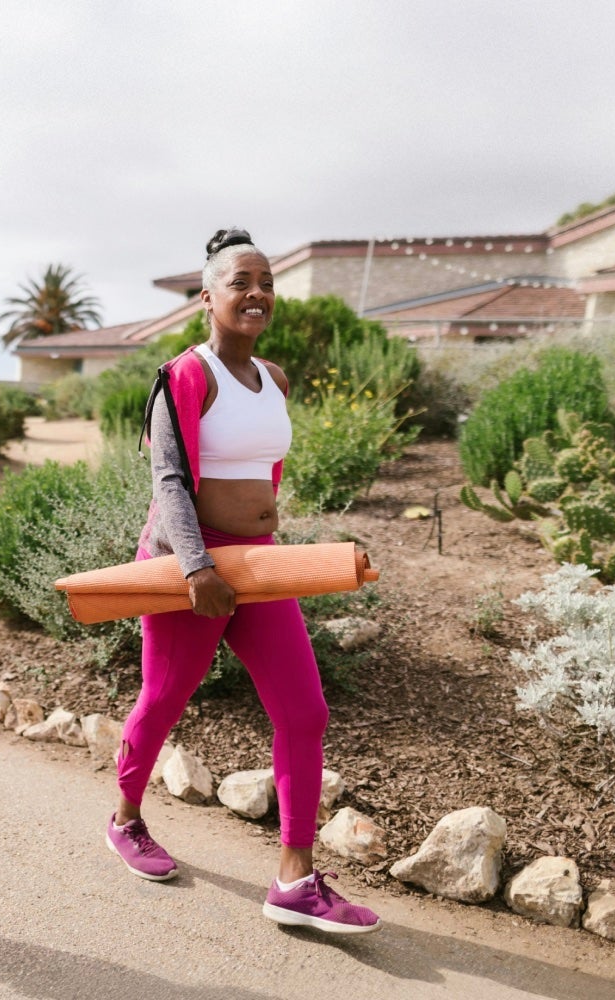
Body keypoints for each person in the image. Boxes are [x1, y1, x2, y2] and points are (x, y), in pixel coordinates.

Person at [105, 228, 380, 935]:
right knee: (165, 697)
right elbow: (168, 477)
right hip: (189, 562)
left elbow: (265, 475)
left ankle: (294, 878)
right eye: (240, 283)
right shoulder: (183, 376)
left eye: (266, 283)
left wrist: (269, 551)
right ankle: (126, 819)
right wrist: (197, 565)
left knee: (304, 710)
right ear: (208, 297)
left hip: (255, 562)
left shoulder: (276, 379)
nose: (256, 294)